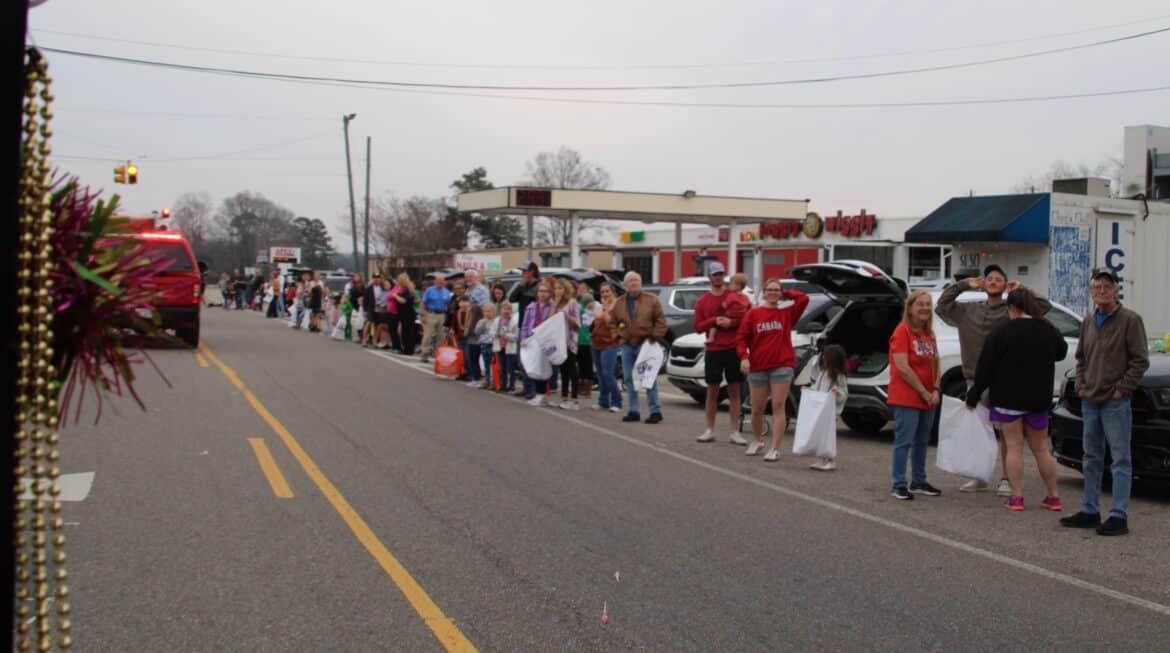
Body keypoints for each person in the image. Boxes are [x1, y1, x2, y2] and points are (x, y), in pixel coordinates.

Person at [937, 264, 1051, 495]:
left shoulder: (1012, 311)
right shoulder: (968, 310)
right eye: (989, 278)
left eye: (999, 278)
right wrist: (964, 284)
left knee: (1008, 435)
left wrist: (1020, 289)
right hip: (974, 379)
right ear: (982, 283)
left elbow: (1043, 307)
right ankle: (978, 476)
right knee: (978, 433)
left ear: (1006, 284)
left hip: (1004, 381)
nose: (993, 281)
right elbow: (942, 306)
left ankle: (1007, 479)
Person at [1060, 269, 1149, 536]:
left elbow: (1140, 360)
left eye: (1106, 287)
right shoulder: (1089, 320)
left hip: (1115, 402)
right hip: (1090, 399)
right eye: (1097, 287)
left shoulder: (1130, 320)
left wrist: (1122, 389)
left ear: (1116, 291)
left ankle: (1119, 515)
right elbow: (1081, 357)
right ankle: (1089, 510)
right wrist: (1082, 385)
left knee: (1120, 459)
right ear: (1091, 292)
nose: (1101, 291)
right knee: (1091, 456)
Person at [966, 287, 1068, 511]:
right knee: (1041, 449)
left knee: (1014, 447)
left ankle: (1017, 496)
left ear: (1011, 307)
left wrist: (974, 394)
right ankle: (1053, 496)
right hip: (1039, 398)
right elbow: (1061, 351)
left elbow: (986, 367)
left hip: (1008, 399)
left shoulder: (1002, 331)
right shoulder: (1047, 329)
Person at [736, 278, 809, 461]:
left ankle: (775, 448)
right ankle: (757, 440)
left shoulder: (787, 313)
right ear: (764, 292)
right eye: (770, 289)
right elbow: (742, 338)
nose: (773, 293)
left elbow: (803, 299)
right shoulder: (754, 314)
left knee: (778, 406)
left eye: (777, 290)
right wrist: (744, 357)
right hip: (758, 366)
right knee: (757, 408)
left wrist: (786, 294)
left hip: (782, 366)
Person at [888, 290, 942, 501]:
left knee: (922, 441)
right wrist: (923, 391)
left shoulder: (929, 334)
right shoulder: (902, 331)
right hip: (907, 396)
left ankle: (919, 480)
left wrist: (935, 389)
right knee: (904, 441)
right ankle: (898, 483)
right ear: (910, 308)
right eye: (920, 304)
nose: (925, 308)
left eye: (928, 304)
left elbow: (936, 364)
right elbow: (903, 367)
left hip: (928, 397)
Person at [693, 262, 748, 446]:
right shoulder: (702, 301)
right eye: (715, 274)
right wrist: (714, 320)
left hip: (733, 348)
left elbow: (746, 318)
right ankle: (709, 430)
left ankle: (734, 432)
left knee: (735, 391)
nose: (718, 277)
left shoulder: (734, 294)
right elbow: (697, 327)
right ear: (709, 276)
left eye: (721, 274)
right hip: (713, 350)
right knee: (712, 391)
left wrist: (731, 323)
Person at [611, 271, 668, 424]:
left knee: (649, 377)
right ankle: (634, 411)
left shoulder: (652, 300)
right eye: (630, 280)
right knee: (629, 378)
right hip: (627, 345)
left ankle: (655, 411)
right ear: (625, 285)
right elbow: (612, 322)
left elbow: (661, 321)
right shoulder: (619, 303)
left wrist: (654, 337)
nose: (634, 282)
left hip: (646, 344)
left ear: (641, 282)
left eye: (636, 280)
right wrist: (617, 336)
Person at [810, 344, 849, 471]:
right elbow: (817, 387)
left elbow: (844, 394)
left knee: (828, 436)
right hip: (821, 409)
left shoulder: (839, 376)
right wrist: (809, 390)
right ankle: (822, 458)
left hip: (831, 411)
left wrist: (837, 392)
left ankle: (831, 459)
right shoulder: (822, 373)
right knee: (821, 435)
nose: (823, 358)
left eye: (826, 357)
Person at [521, 279, 556, 405]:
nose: (542, 294)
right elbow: (525, 324)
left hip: (545, 340)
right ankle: (538, 393)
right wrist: (523, 338)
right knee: (534, 366)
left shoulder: (552, 307)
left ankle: (543, 394)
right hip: (532, 340)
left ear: (550, 293)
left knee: (543, 367)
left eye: (545, 291)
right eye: (540, 291)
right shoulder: (531, 307)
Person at [591, 282, 623, 413]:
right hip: (596, 343)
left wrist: (605, 311)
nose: (605, 294)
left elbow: (612, 323)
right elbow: (595, 321)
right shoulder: (600, 305)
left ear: (613, 292)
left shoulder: (617, 306)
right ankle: (603, 401)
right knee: (600, 374)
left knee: (608, 373)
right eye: (602, 292)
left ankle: (617, 401)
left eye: (607, 291)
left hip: (610, 344)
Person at [510, 263, 542, 397]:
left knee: (532, 359)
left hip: (534, 327)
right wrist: (520, 285)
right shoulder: (523, 286)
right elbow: (511, 298)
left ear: (532, 271)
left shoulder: (539, 286)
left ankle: (534, 389)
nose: (523, 274)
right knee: (522, 359)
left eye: (525, 271)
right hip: (522, 326)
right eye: (522, 271)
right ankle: (526, 387)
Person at [553, 279, 582, 410]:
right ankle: (564, 397)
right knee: (563, 369)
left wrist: (567, 316)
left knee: (572, 369)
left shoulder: (572, 303)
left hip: (570, 340)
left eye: (560, 288)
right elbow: (549, 319)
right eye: (556, 288)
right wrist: (555, 305)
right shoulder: (555, 303)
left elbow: (577, 324)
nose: (558, 291)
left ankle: (574, 399)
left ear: (566, 289)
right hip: (559, 341)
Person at [420, 274, 452, 363]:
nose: (440, 282)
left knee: (441, 337)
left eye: (442, 281)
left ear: (444, 282)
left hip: (442, 315)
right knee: (428, 336)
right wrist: (423, 315)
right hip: (430, 314)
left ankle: (438, 355)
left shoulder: (446, 291)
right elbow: (423, 303)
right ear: (435, 281)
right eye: (438, 281)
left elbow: (448, 304)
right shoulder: (429, 290)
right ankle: (424, 354)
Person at [576, 281, 597, 401]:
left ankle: (586, 387)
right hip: (581, 341)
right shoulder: (583, 311)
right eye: (589, 302)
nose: (591, 304)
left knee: (586, 364)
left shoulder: (588, 312)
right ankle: (582, 386)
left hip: (587, 341)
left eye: (592, 302)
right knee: (583, 364)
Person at [473, 302, 499, 389]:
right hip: (484, 344)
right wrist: (482, 324)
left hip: (492, 344)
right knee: (485, 363)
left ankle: (493, 381)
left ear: (494, 312)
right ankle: (487, 380)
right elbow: (477, 332)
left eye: (489, 311)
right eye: (485, 311)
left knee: (492, 364)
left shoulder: (496, 321)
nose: (487, 313)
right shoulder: (481, 321)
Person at [495, 301, 519, 393]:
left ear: (511, 311)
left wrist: (506, 335)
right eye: (504, 309)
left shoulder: (514, 321)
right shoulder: (497, 321)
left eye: (508, 309)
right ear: (500, 310)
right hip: (500, 347)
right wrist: (496, 334)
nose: (506, 311)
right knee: (502, 367)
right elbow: (492, 331)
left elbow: (515, 336)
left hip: (510, 347)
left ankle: (511, 385)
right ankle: (503, 384)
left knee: (510, 368)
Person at [395, 273, 419, 355]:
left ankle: (408, 349)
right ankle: (408, 349)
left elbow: (403, 301)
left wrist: (396, 296)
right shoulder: (409, 289)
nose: (398, 282)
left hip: (407, 313)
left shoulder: (407, 290)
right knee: (408, 331)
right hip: (407, 312)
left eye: (399, 280)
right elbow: (415, 300)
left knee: (407, 332)